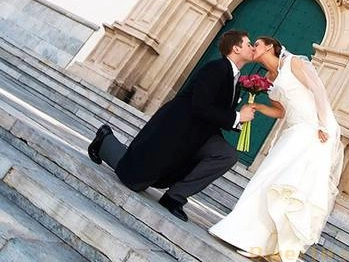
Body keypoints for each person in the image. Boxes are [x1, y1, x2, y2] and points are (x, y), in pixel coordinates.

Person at [87, 30, 256, 222]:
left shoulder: (236, 81)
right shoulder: (216, 68)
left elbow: (217, 112)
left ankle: (174, 197)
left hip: (202, 135)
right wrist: (236, 116)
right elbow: (201, 105)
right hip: (176, 130)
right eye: (249, 44)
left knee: (227, 155)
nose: (252, 48)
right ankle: (104, 141)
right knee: (135, 180)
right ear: (236, 48)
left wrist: (238, 119)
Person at [209, 37, 344, 261]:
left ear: (270, 47)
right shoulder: (268, 78)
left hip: (315, 129)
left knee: (295, 186)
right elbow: (281, 111)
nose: (253, 48)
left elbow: (318, 91)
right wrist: (259, 106)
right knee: (267, 181)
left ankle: (281, 250)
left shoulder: (294, 64)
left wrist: (322, 124)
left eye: (257, 45)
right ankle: (255, 242)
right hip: (294, 131)